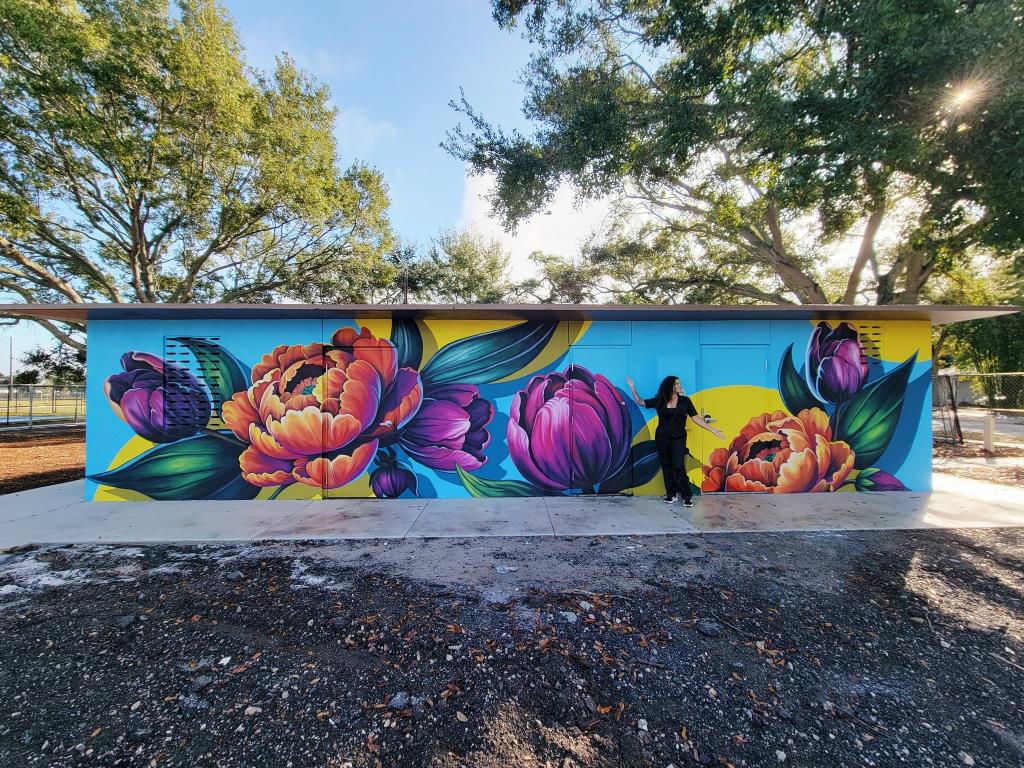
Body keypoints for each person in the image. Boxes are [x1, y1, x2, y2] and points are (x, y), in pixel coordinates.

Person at [626, 375, 723, 506]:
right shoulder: (660, 401)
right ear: (669, 386)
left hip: (678, 438)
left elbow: (695, 418)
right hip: (662, 438)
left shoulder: (685, 401)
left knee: (678, 466)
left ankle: (686, 495)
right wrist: (632, 387)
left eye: (679, 384)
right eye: (676, 384)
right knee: (666, 467)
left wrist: (712, 429)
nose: (679, 386)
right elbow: (640, 401)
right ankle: (671, 494)